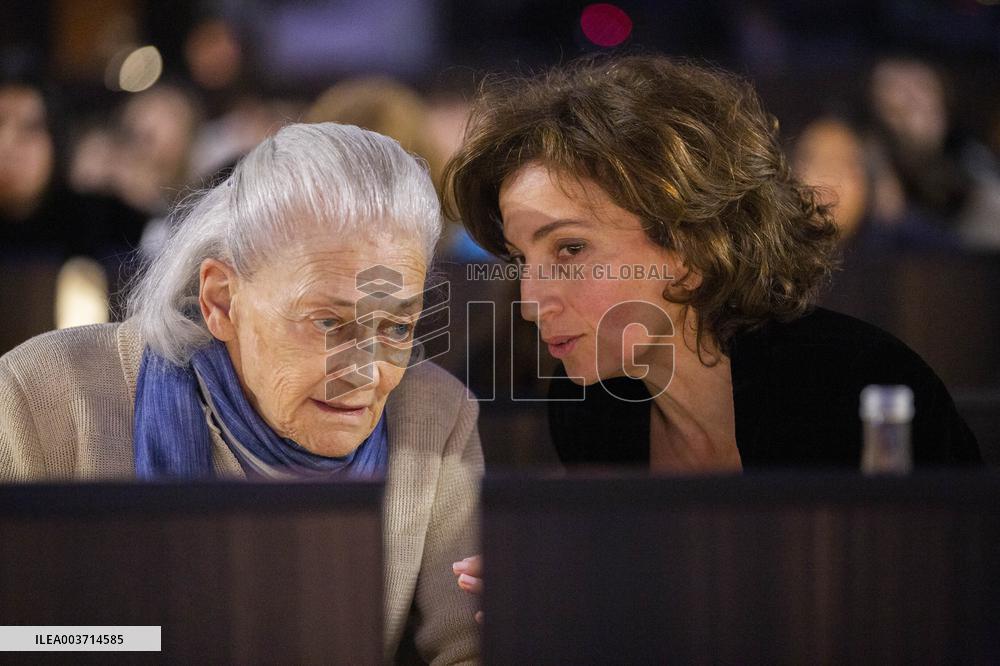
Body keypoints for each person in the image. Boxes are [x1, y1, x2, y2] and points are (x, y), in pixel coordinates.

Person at [443, 55, 981, 600]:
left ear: (693, 246)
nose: (532, 304)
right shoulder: (591, 410)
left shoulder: (855, 382)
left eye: (570, 249)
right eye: (520, 260)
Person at [0, 122, 481, 663]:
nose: (367, 374)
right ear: (221, 301)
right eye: (327, 323)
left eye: (397, 328)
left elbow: (469, 649)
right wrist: (154, 641)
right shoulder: (45, 394)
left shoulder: (433, 416)